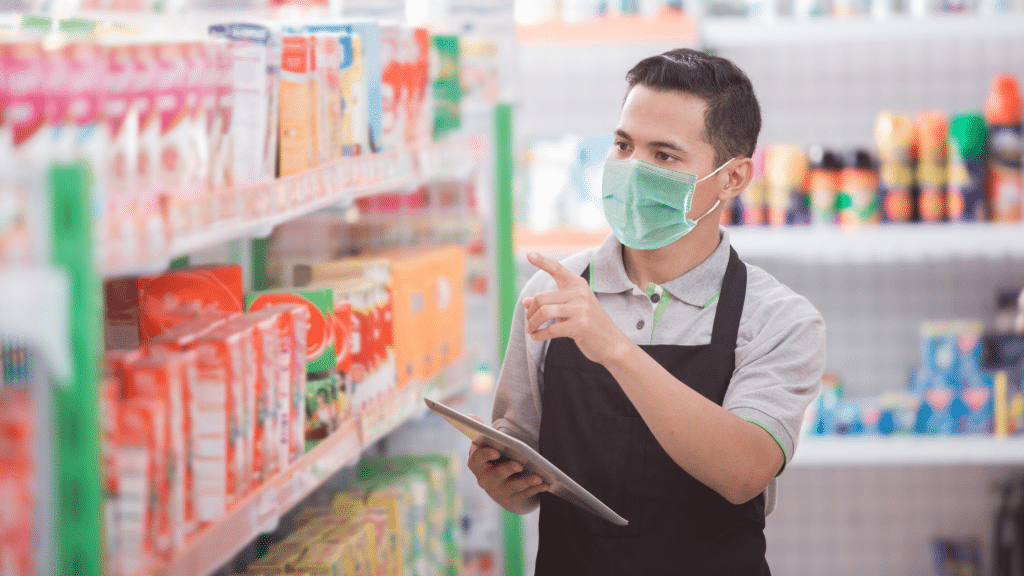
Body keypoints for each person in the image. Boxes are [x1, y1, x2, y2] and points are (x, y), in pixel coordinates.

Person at [466, 48, 826, 574]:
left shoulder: (777, 319)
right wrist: (502, 479)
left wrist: (613, 347)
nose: (633, 170)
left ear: (732, 178)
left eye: (664, 156)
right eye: (623, 144)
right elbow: (522, 459)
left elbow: (745, 471)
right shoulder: (553, 291)